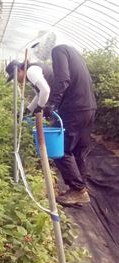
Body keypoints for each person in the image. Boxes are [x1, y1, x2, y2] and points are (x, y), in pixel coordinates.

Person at [43, 45, 97, 206]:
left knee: (61, 150)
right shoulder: (74, 51)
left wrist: (52, 103)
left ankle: (78, 190)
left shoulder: (58, 50)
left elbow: (63, 78)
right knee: (79, 150)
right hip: (88, 107)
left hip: (74, 108)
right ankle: (82, 187)